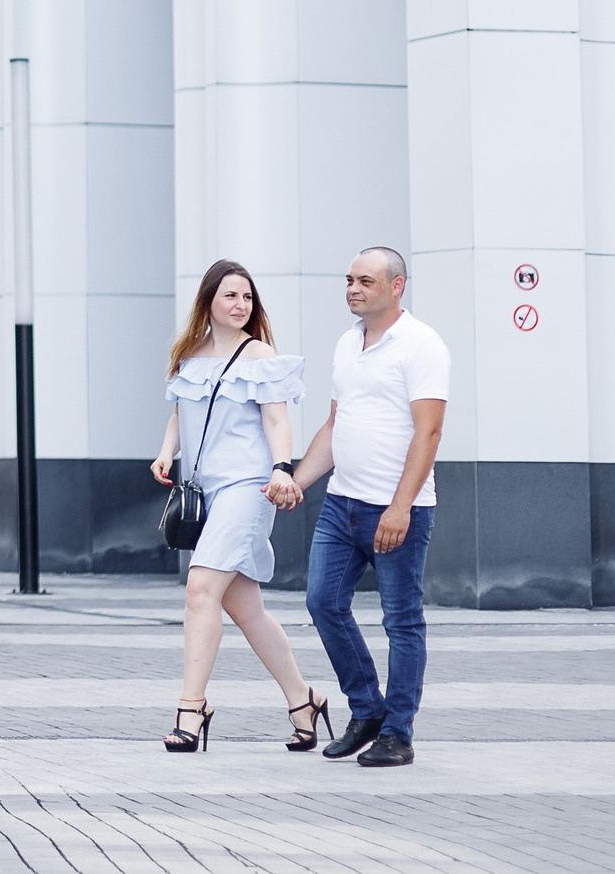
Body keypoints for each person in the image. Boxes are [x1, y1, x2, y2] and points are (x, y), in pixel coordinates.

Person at [151, 260, 327, 754]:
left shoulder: (260, 355)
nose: (240, 305)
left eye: (246, 298)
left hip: (249, 487)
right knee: (246, 609)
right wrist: (167, 452)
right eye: (230, 296)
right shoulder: (190, 357)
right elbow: (181, 415)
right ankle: (303, 699)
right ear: (209, 301)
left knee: (200, 588)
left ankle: (191, 706)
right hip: (208, 492)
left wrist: (281, 468)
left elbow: (276, 420)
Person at [284, 246, 449, 769]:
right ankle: (367, 710)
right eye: (349, 280)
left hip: (399, 508)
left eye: (366, 281)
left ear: (396, 286)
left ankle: (398, 732)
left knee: (401, 622)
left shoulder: (421, 345)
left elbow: (429, 431)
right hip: (342, 505)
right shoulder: (346, 344)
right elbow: (336, 426)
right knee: (322, 602)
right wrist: (298, 481)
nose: (353, 289)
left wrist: (400, 507)